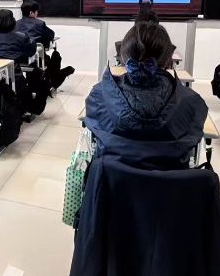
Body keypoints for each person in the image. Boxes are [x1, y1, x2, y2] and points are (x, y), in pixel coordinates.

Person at [85, 22, 207, 171]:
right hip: (169, 185)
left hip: (111, 184)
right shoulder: (192, 103)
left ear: (122, 56)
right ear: (169, 60)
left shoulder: (99, 96)